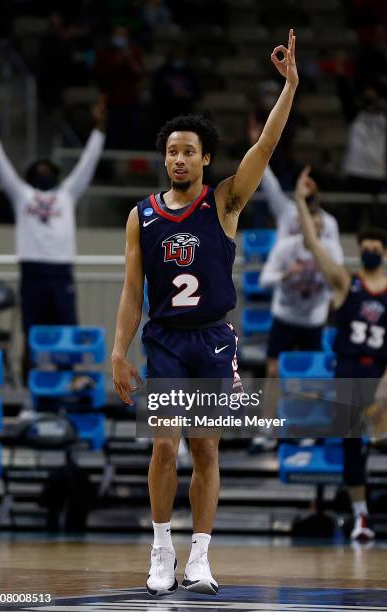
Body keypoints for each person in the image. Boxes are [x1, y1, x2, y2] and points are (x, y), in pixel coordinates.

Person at [112, 30, 298, 595]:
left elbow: (263, 149)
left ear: (206, 158)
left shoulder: (225, 200)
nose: (179, 158)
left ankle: (200, 557)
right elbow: (129, 292)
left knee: (206, 447)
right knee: (165, 445)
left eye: (188, 150)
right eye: (172, 150)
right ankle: (162, 549)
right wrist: (118, 352)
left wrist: (288, 86)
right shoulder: (140, 216)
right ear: (164, 158)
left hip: (213, 340)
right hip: (166, 339)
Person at [0, 99, 106, 382]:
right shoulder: (21, 194)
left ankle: (71, 380)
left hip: (61, 271)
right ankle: (27, 387)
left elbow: (87, 164)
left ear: (56, 175)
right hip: (33, 270)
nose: (44, 174)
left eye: (48, 171)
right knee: (31, 331)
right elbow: (1, 166)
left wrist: (99, 129)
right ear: (31, 177)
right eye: (39, 171)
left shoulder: (67, 193)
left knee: (68, 329)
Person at [294, 166, 387, 541]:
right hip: (349, 373)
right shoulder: (346, 283)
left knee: (379, 434)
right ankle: (361, 518)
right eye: (363, 247)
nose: (368, 252)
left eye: (374, 248)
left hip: (381, 374)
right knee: (351, 446)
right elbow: (315, 247)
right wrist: (301, 201)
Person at [260, 192, 342, 379]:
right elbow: (264, 280)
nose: (314, 230)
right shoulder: (286, 247)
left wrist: (326, 271)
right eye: (310, 225)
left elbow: (338, 284)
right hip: (285, 317)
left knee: (313, 377)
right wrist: (285, 275)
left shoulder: (331, 250)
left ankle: (305, 409)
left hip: (313, 321)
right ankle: (268, 409)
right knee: (273, 372)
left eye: (318, 225)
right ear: (301, 225)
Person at [249, 114, 343, 251]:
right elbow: (269, 182)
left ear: (319, 192)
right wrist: (257, 147)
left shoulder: (329, 223)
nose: (306, 187)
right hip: (287, 270)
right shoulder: (286, 210)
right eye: (303, 183)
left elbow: (336, 262)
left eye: (310, 184)